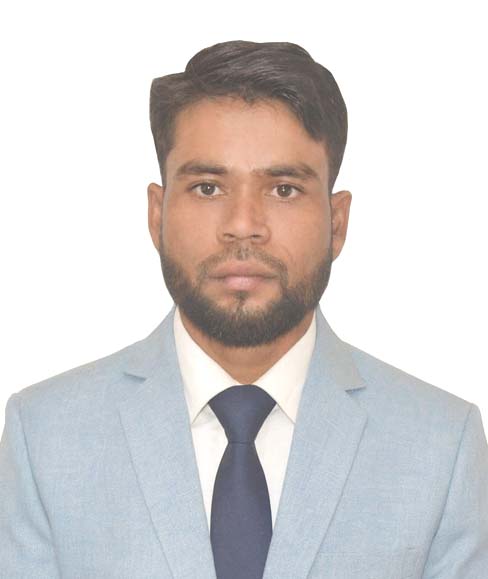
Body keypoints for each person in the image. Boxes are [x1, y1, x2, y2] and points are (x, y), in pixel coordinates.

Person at [0, 40, 487, 579]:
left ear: (338, 222)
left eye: (284, 189)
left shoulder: (442, 443)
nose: (243, 225)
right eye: (208, 187)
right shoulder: (44, 434)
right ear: (157, 214)